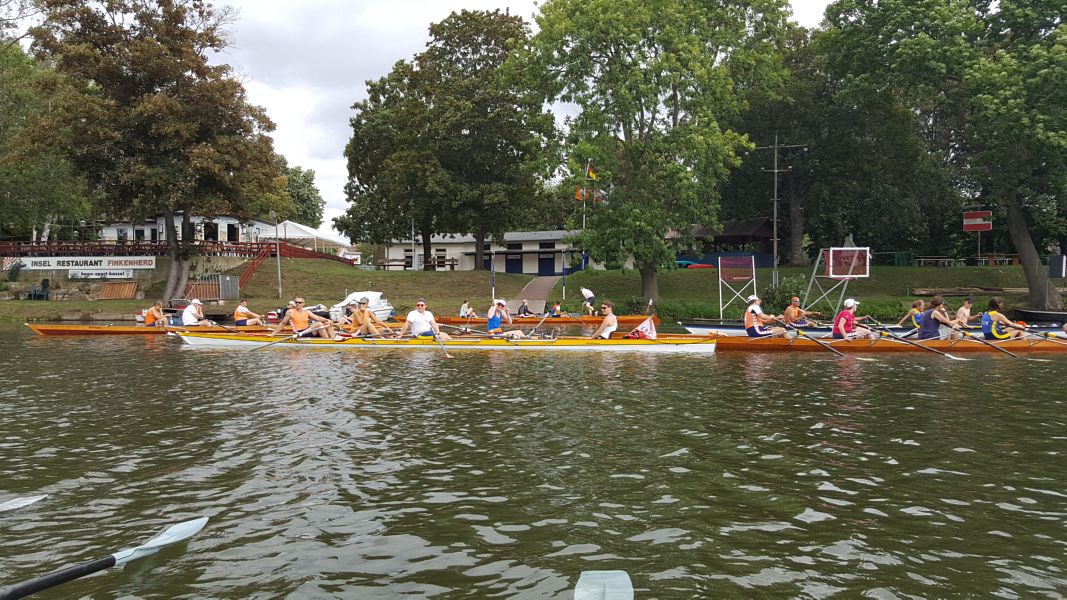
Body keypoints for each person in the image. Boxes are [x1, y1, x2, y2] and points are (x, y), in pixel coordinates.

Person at [270, 297, 335, 338]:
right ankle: (327, 341)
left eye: (300, 302)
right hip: (299, 333)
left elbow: (317, 318)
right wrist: (273, 334)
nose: (298, 304)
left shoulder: (307, 312)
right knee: (319, 324)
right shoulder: (290, 312)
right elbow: (282, 323)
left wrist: (327, 320)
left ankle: (333, 339)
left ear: (303, 304)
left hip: (308, 331)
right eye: (296, 302)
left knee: (328, 323)